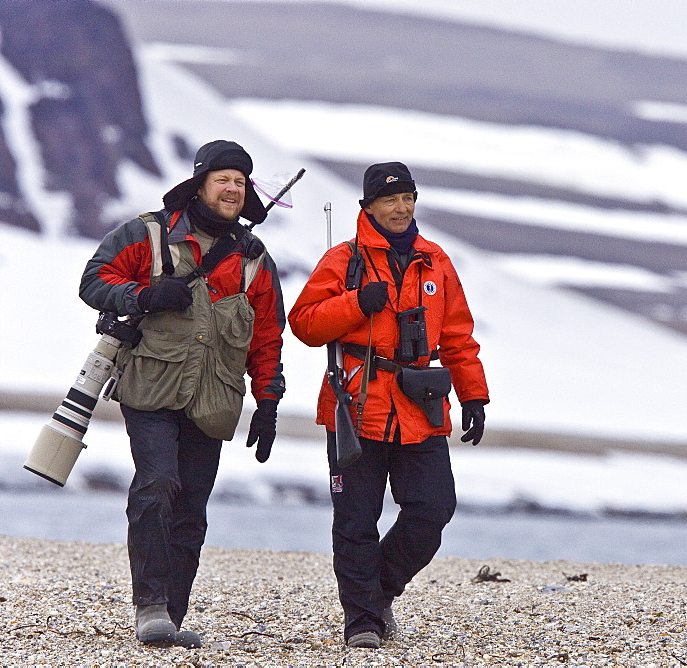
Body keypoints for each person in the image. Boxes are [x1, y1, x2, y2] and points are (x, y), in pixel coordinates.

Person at [79, 140, 286, 648]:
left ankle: (172, 612)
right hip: (149, 384)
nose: (233, 188)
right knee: (157, 484)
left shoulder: (255, 257)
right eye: (223, 179)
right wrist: (143, 295)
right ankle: (149, 607)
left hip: (213, 396)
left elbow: (266, 335)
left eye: (241, 181)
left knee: (192, 503)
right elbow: (93, 280)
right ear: (200, 184)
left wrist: (269, 400)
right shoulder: (147, 233)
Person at [289, 161, 489, 649]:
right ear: (368, 206)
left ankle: (378, 592)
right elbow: (305, 324)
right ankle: (362, 621)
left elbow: (459, 336)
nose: (401, 209)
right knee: (356, 519)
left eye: (408, 198)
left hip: (421, 407)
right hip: (355, 404)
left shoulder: (436, 261)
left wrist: (474, 395)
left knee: (433, 509)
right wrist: (357, 302)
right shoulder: (344, 260)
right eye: (389, 200)